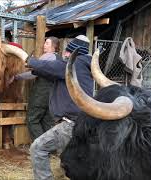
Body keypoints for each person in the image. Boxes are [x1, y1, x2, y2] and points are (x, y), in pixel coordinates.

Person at [27, 35, 94, 180]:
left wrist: (30, 61)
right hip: (82, 123)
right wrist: (35, 69)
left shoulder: (73, 64)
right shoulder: (83, 68)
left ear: (71, 52)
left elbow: (51, 67)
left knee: (37, 148)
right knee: (69, 160)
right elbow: (53, 73)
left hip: (70, 124)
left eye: (67, 51)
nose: (64, 54)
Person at [14, 37, 60, 141]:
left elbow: (34, 73)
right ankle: (51, 149)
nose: (44, 45)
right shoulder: (59, 59)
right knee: (47, 121)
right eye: (45, 42)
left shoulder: (48, 57)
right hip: (53, 96)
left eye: (47, 43)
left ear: (54, 46)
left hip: (41, 94)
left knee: (32, 120)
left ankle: (41, 147)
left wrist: (17, 77)